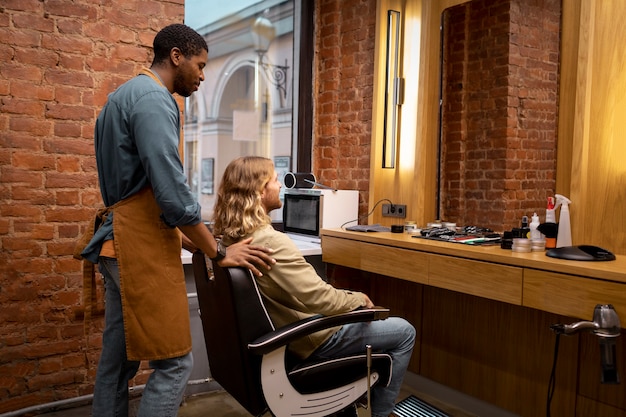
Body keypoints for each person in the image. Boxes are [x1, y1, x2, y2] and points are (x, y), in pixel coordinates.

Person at [78, 24, 275, 417]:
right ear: (176, 56)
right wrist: (217, 251)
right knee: (174, 362)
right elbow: (170, 194)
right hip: (136, 250)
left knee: (118, 366)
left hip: (119, 245)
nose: (203, 75)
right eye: (200, 65)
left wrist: (192, 242)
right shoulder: (153, 99)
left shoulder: (121, 96)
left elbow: (142, 198)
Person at [212, 156, 416, 417]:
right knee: (404, 331)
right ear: (261, 191)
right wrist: (358, 298)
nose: (279, 185)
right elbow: (322, 300)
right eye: (274, 180)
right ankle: (381, 414)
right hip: (315, 340)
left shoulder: (234, 240)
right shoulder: (271, 242)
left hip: (293, 335)